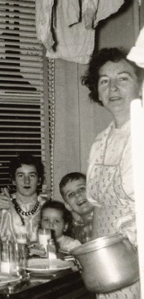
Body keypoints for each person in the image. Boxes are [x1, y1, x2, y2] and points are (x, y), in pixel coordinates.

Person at [82, 47, 143, 298]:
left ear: (140, 86)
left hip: (137, 258)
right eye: (104, 81)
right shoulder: (100, 141)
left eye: (123, 78)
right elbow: (96, 206)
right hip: (107, 265)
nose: (113, 88)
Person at [0, 152, 47, 242]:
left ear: (39, 181)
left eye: (32, 175)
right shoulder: (4, 203)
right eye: (21, 175)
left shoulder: (47, 206)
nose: (27, 181)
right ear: (13, 181)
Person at [59, 172, 94, 243]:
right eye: (71, 194)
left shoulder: (106, 216)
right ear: (68, 206)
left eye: (81, 189)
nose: (77, 195)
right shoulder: (74, 229)